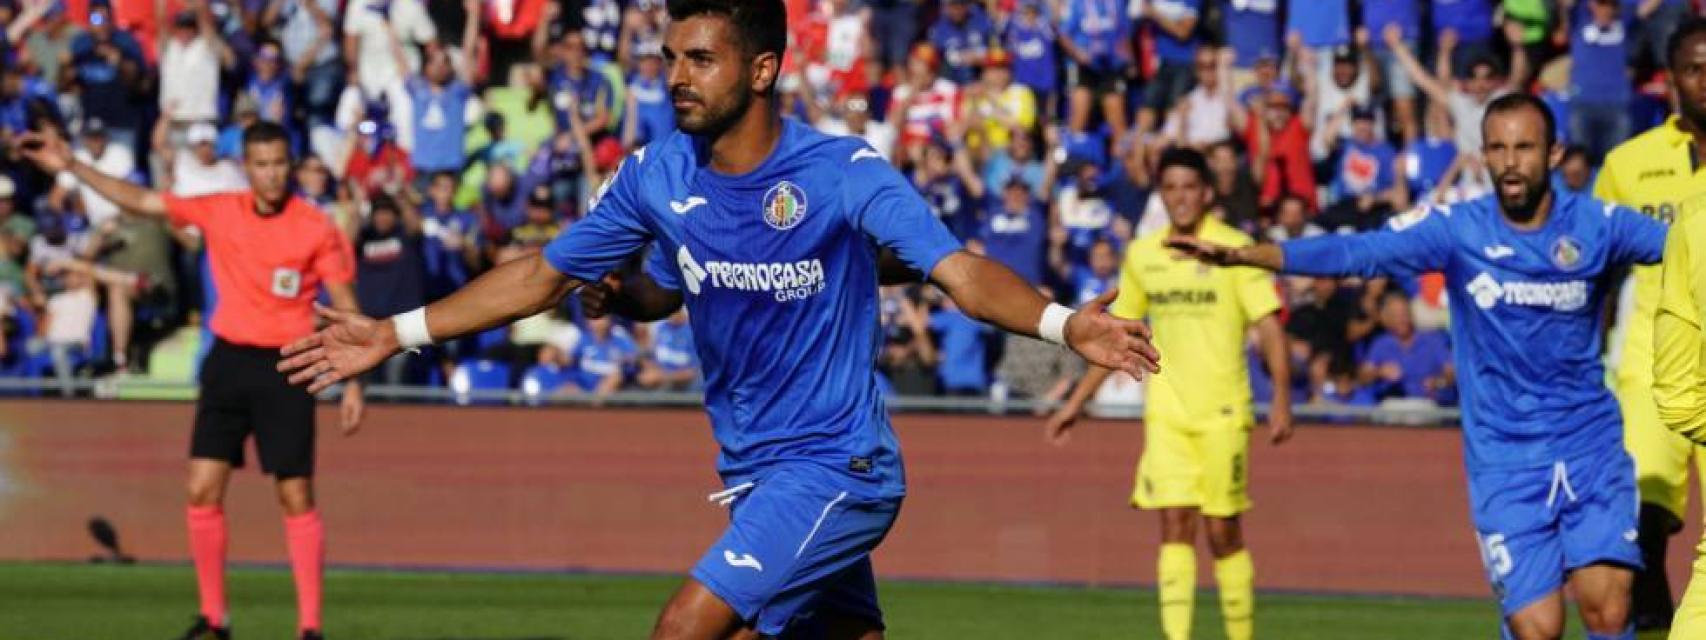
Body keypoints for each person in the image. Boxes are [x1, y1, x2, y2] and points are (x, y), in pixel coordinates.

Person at [273, 1, 1160, 638]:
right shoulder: (658, 173)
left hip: (836, 467)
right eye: (668, 58)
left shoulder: (841, 170)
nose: (677, 78)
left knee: (687, 628)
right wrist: (396, 331)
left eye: (701, 58)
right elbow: (545, 276)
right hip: (755, 469)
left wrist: (1061, 324)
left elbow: (956, 272)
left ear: (763, 69)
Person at [1168, 94, 1664, 640]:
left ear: (1553, 154)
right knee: (1537, 628)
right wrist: (1250, 255)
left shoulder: (1598, 224)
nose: (1510, 162)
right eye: (1497, 148)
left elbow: (1687, 247)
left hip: (1588, 443)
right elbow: (1361, 252)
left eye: (1524, 147)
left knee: (1609, 611)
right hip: (1505, 456)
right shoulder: (1458, 229)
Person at [15, 121, 364, 640]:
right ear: (247, 167)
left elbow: (346, 306)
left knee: (295, 496)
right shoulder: (221, 209)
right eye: (262, 164)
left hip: (287, 366)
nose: (272, 174)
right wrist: (72, 166)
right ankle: (214, 618)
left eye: (280, 163)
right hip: (228, 361)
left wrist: (354, 381)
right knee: (201, 489)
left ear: (291, 165)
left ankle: (310, 627)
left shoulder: (315, 227)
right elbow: (143, 203)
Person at [1044, 147, 1292, 640]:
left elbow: (1268, 328)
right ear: (1162, 193)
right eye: (1171, 188)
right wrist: (1076, 404)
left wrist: (1281, 396)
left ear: (1207, 192)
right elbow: (1116, 338)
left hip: (1223, 411)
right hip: (1167, 415)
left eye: (1189, 187)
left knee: (1223, 533)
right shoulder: (1143, 254)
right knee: (1174, 528)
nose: (1180, 197)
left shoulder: (1235, 248)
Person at [1592, 18, 1706, 636]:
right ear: (1671, 79)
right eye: (1694, 67)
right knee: (1641, 530)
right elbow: (1598, 273)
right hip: (1650, 371)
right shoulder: (1628, 164)